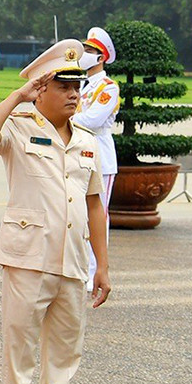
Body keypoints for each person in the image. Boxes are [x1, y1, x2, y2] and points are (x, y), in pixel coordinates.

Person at [0, 40, 111, 384]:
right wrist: (17, 96)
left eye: (77, 86)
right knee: (20, 357)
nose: (74, 94)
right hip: (28, 258)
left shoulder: (86, 141)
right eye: (63, 86)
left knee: (64, 357)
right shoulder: (18, 126)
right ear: (41, 89)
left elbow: (95, 207)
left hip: (72, 261)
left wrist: (101, 266)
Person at [74, 26, 119, 284]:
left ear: (101, 57)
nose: (85, 55)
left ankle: (94, 272)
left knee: (98, 214)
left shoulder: (108, 88)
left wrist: (64, 116)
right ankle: (80, 268)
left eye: (89, 51)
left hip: (100, 157)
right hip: (79, 152)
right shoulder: (79, 84)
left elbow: (93, 119)